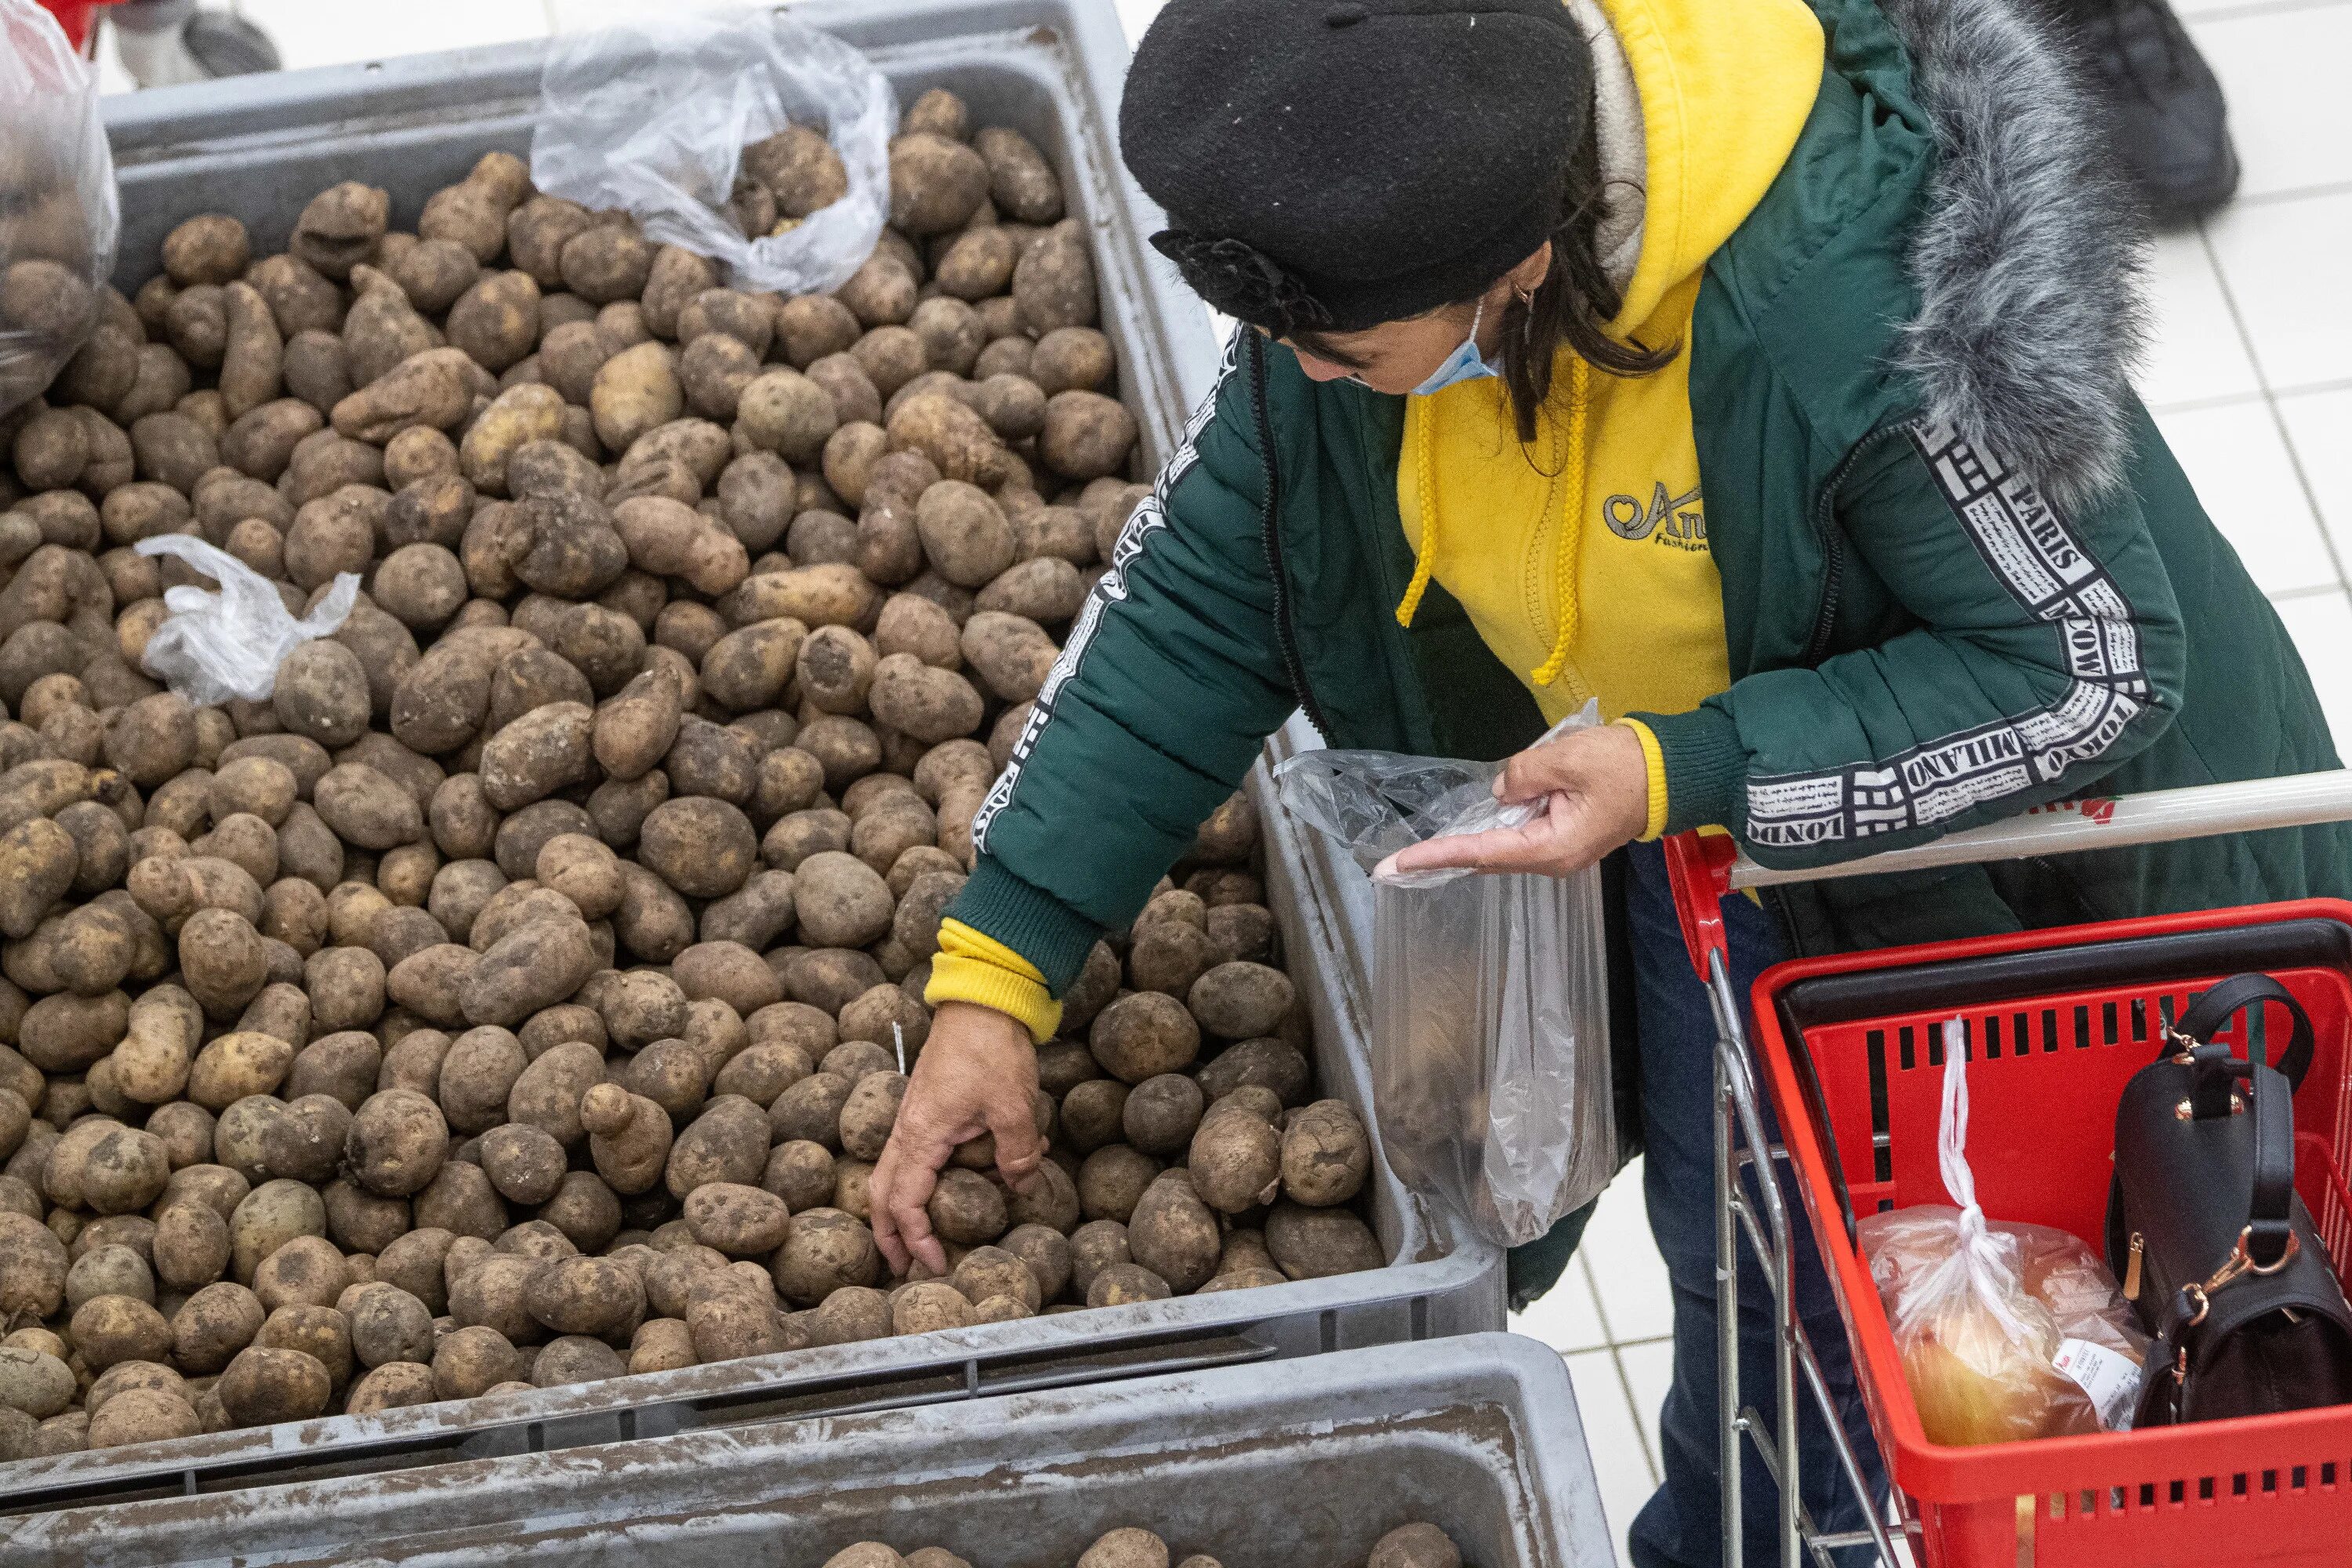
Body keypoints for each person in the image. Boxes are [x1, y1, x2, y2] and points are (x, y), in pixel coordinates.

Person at [867, 0, 2350, 1560]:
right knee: (1737, 1285)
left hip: (2016, 868)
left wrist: (1683, 762)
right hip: (1705, 822)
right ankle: (1727, 1529)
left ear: (1513, 265)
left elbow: (2096, 660)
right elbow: (1208, 587)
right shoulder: (1393, 251)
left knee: (1962, 1352)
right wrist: (1002, 967)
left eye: (1343, 350)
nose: (1301, 375)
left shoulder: (1842, 323)